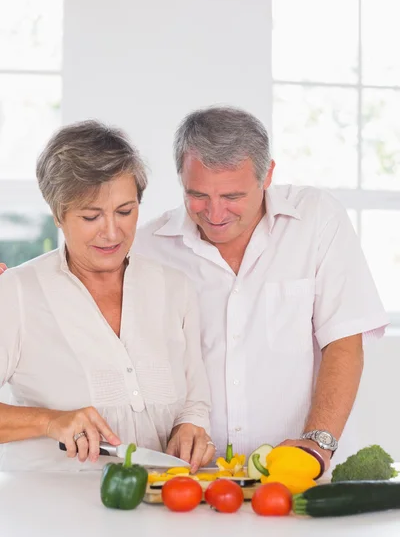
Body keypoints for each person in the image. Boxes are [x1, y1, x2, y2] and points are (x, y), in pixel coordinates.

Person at [133, 106, 388, 470]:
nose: (215, 214)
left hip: (307, 471)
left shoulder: (317, 219)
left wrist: (317, 444)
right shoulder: (147, 248)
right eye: (198, 195)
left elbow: (344, 342)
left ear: (266, 175)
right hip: (193, 476)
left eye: (233, 197)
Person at [0, 121, 213, 471]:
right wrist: (49, 421)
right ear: (58, 214)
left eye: (125, 211)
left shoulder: (175, 288)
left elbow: (194, 403)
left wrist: (190, 429)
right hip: (48, 515)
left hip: (157, 510)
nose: (112, 232)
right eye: (90, 216)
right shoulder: (17, 293)